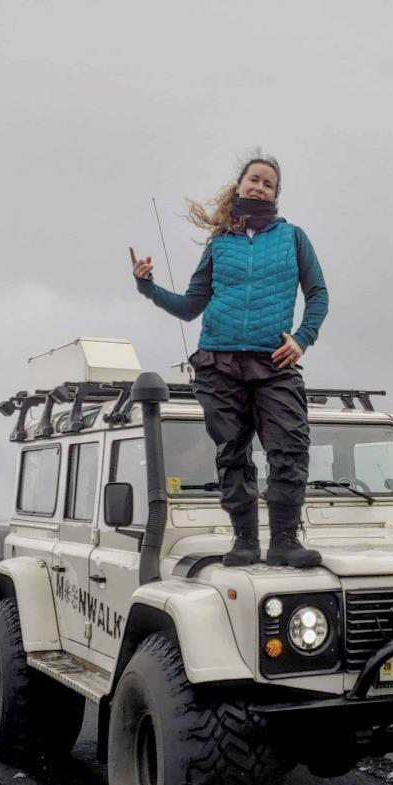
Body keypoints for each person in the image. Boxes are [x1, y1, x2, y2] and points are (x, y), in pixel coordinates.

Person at [131, 151, 329, 568]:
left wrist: (303, 339)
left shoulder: (293, 238)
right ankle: (243, 541)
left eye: (268, 183)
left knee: (289, 449)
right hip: (220, 364)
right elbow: (189, 306)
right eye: (253, 180)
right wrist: (147, 286)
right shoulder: (220, 243)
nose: (259, 187)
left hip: (275, 363)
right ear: (239, 186)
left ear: (276, 195)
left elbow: (318, 295)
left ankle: (285, 542)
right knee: (233, 452)